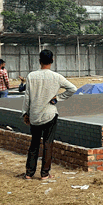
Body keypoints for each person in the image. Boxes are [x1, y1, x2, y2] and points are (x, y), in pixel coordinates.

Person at [22, 50, 77, 180]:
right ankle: (45, 173)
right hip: (49, 114)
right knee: (48, 144)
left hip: (35, 114)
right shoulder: (56, 77)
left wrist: (25, 113)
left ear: (39, 60)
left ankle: (29, 173)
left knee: (34, 144)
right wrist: (58, 98)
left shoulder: (31, 76)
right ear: (52, 61)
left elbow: (27, 96)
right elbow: (72, 89)